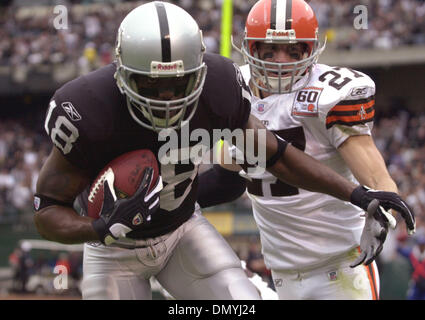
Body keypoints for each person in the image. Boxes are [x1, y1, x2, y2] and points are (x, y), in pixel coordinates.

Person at [34, 1, 414, 300]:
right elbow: (47, 208)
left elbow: (275, 155)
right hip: (113, 250)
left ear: (200, 71)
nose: (167, 95)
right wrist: (99, 226)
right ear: (121, 74)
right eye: (150, 83)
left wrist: (361, 195)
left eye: (180, 82)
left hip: (184, 232)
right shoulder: (87, 110)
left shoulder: (220, 87)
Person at [198, 0, 415, 300]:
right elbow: (227, 179)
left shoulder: (329, 96)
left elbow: (379, 180)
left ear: (310, 50)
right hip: (282, 275)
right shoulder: (236, 90)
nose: (280, 60)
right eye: (269, 50)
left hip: (341, 269)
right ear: (251, 47)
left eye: (292, 50)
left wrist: (383, 211)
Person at [397, 233, 425, 300]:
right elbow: (399, 249)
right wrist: (403, 238)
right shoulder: (413, 253)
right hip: (416, 282)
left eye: (423, 245)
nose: (422, 246)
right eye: (421, 244)